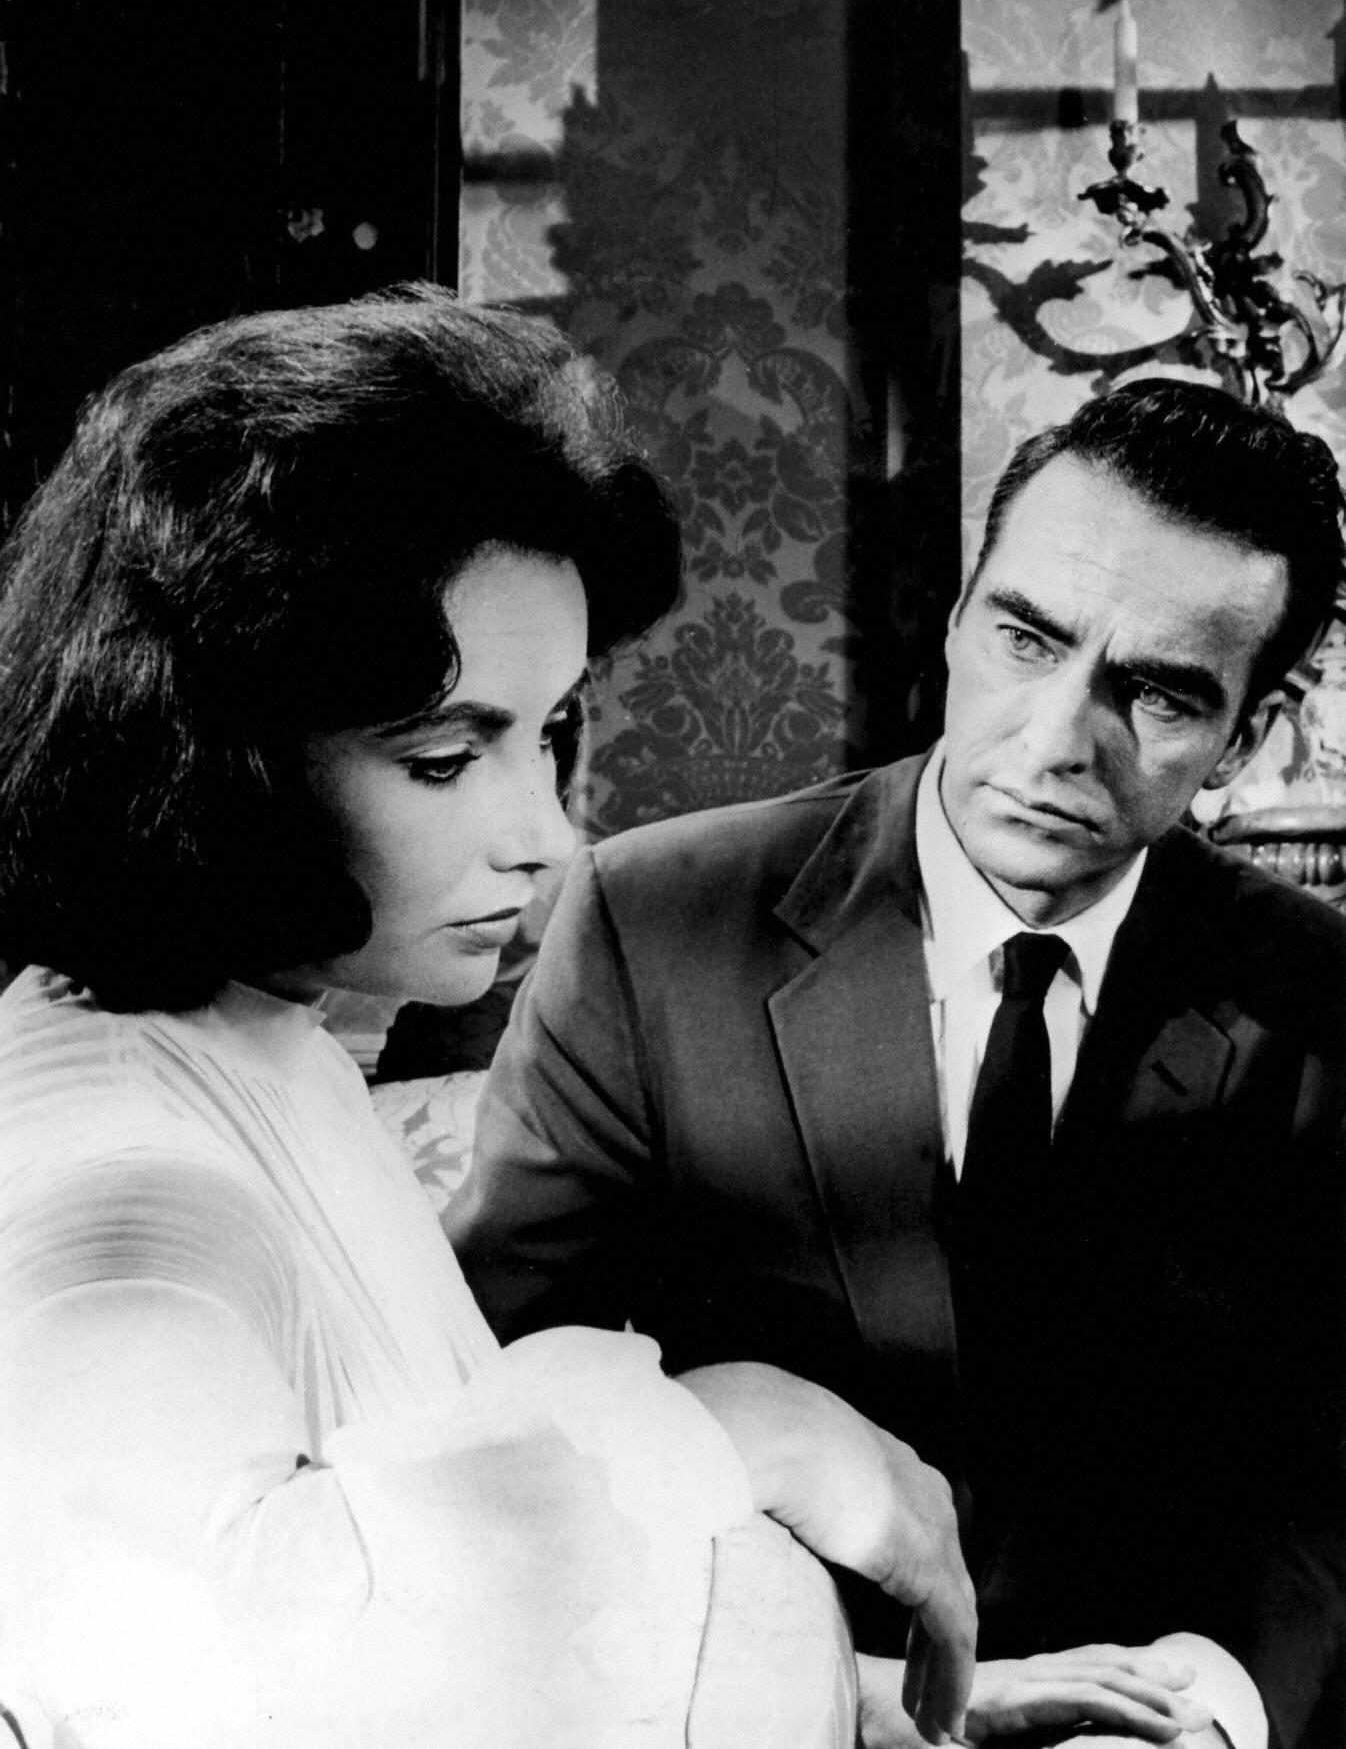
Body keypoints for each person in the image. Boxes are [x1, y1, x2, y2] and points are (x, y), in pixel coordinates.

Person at [0, 286, 979, 1749]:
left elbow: (427, 1582)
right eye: (447, 759)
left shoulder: (271, 1040)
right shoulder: (127, 1184)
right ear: (219, 748)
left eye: (553, 733)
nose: (546, 838)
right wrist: (733, 1428)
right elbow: (184, 1683)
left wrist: (884, 1708)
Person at [453, 378, 1346, 1749]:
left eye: (1158, 694)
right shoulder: (656, 922)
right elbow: (500, 1397)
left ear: (1253, 737)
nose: (1055, 742)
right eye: (1025, 639)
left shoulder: (1321, 1000)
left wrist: (1211, 1707)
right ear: (955, 619)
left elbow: (1327, 1473)